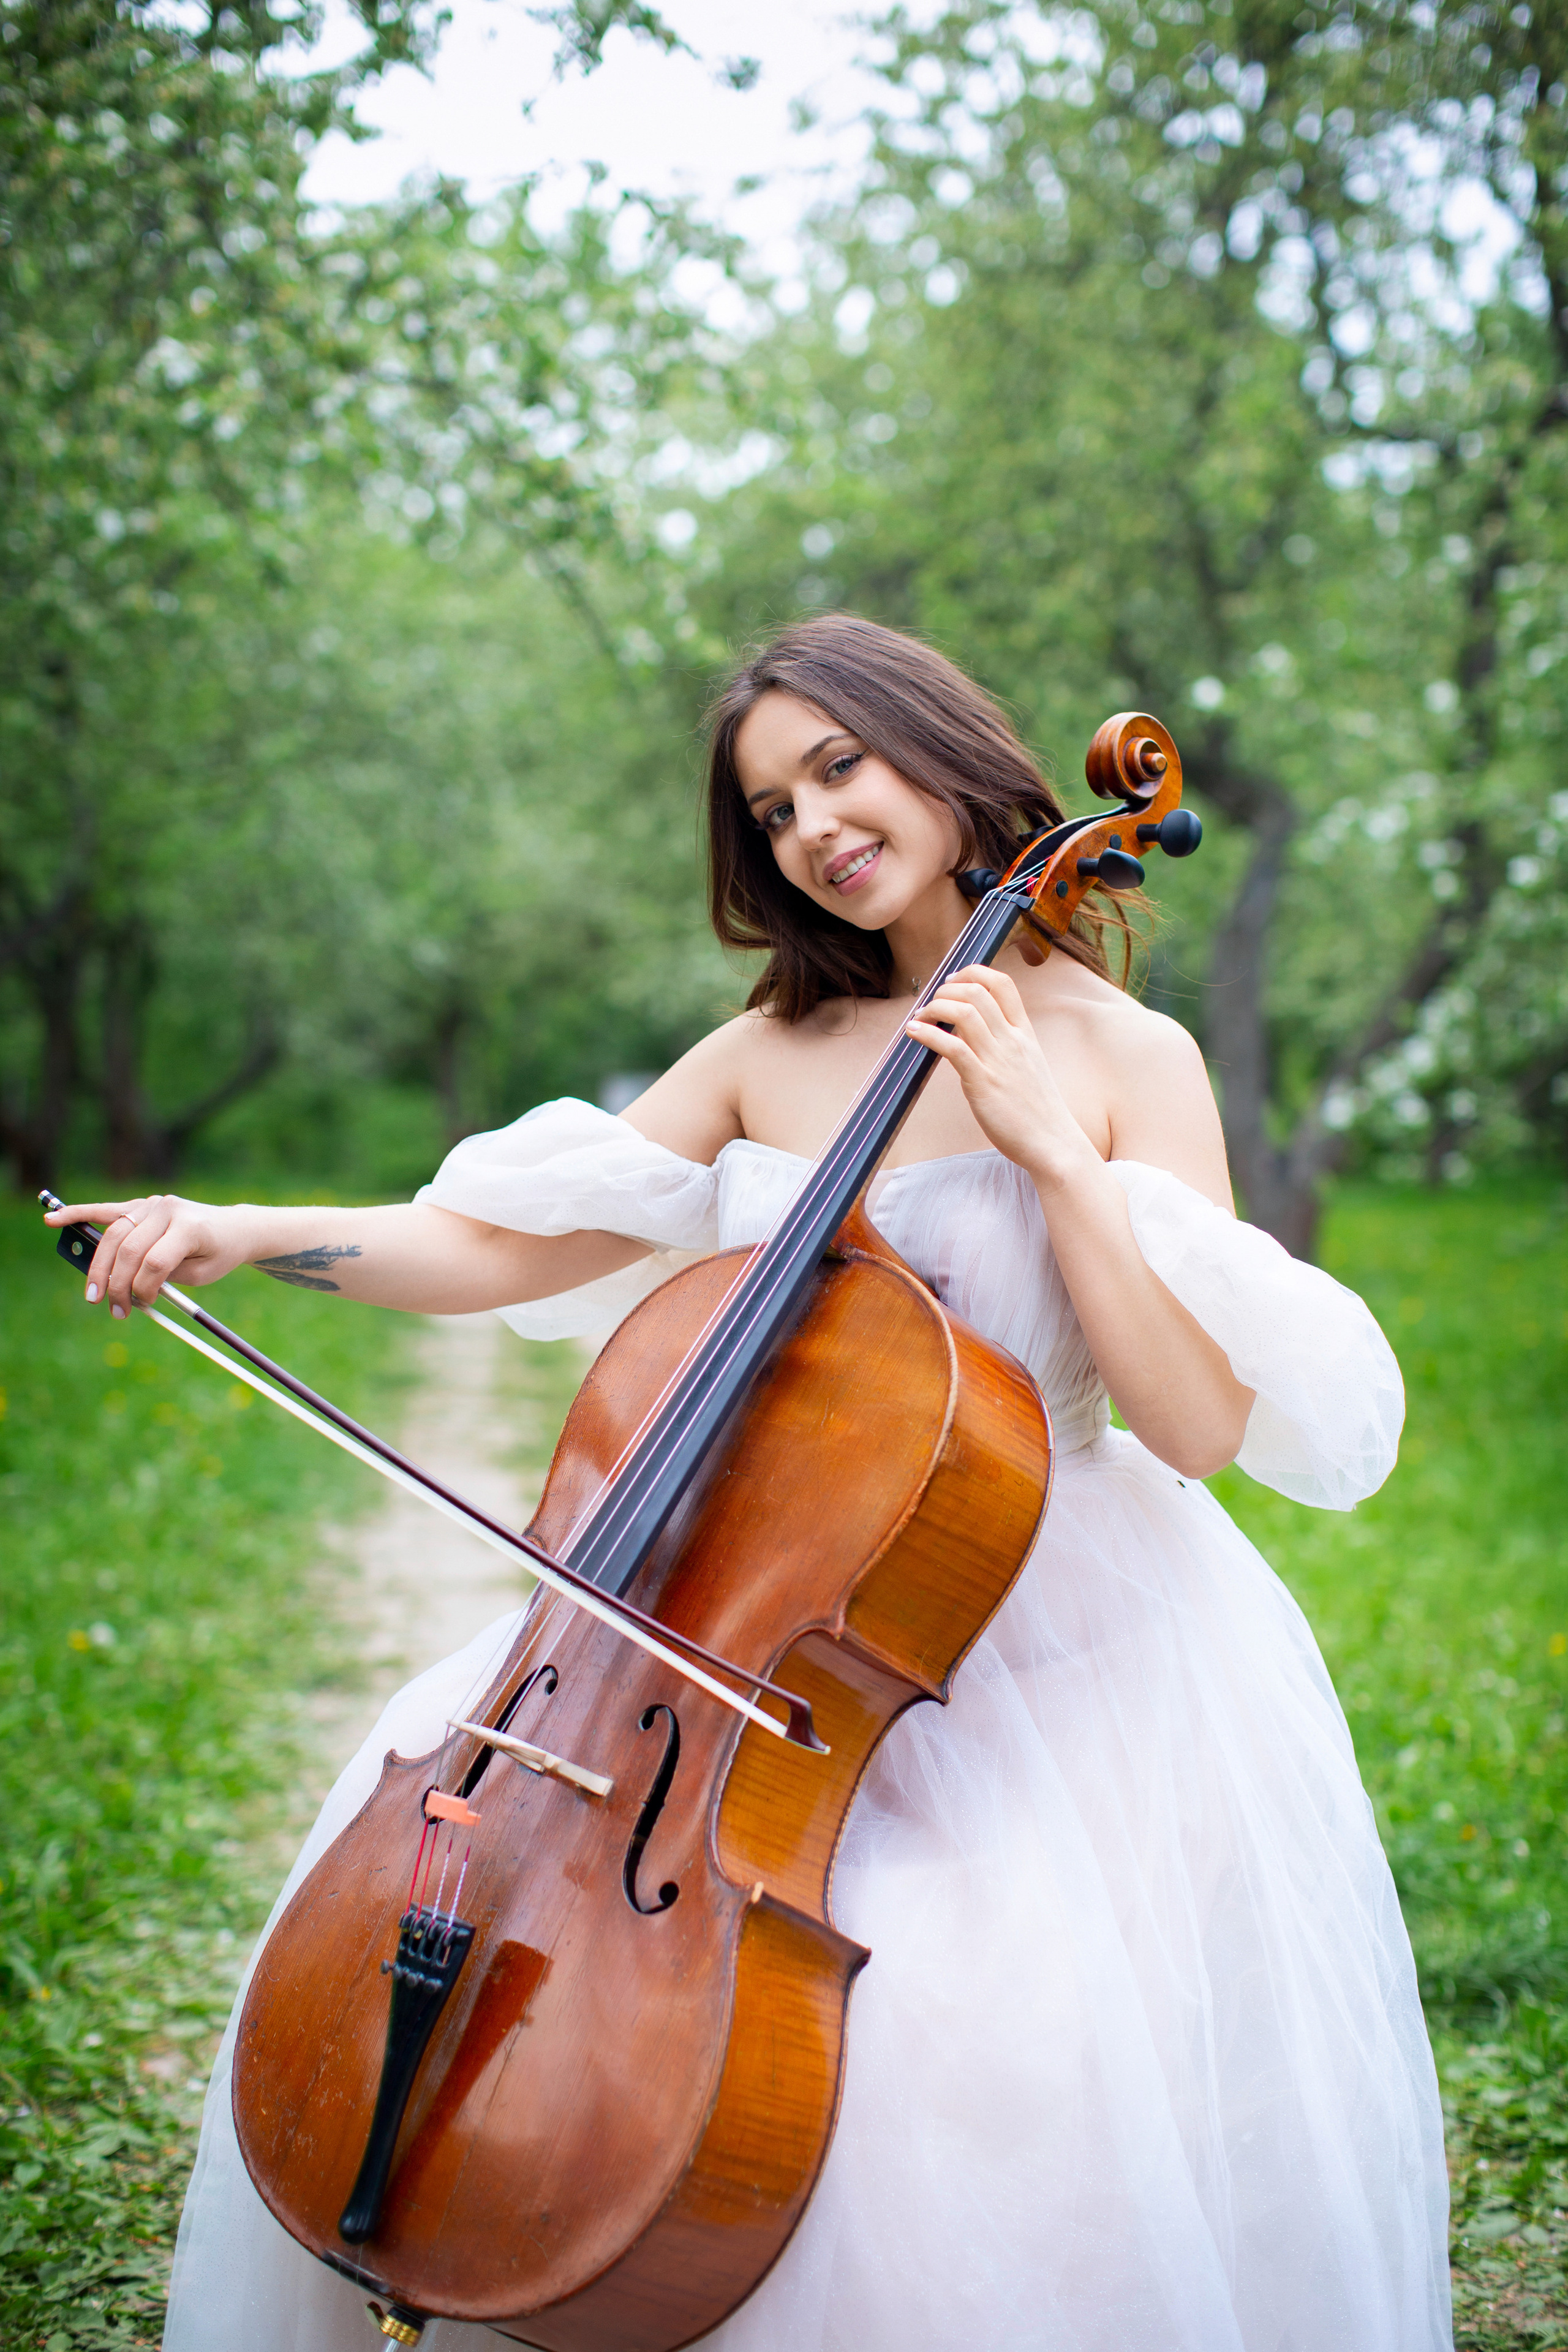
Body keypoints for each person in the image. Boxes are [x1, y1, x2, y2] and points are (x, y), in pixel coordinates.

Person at [50, 615, 1450, 2352]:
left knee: (961, 2023)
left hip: (1036, 1640)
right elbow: (494, 1244)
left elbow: (1198, 1426)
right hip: (735, 1620)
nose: (813, 827)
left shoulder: (1121, 1062)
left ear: (936, 752)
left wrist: (1044, 1152)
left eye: (837, 769)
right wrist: (237, 1236)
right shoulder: (764, 1052)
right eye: (773, 810)